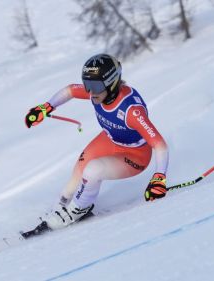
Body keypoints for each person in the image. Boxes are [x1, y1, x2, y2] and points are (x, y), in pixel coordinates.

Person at [25, 53, 169, 230]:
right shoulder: (99, 92)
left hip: (135, 155)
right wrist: (46, 107)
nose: (91, 92)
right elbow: (70, 90)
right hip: (110, 139)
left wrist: (159, 178)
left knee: (93, 170)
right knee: (80, 169)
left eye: (95, 86)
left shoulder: (132, 111)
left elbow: (159, 144)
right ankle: (60, 206)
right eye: (87, 85)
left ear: (112, 83)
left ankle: (78, 210)